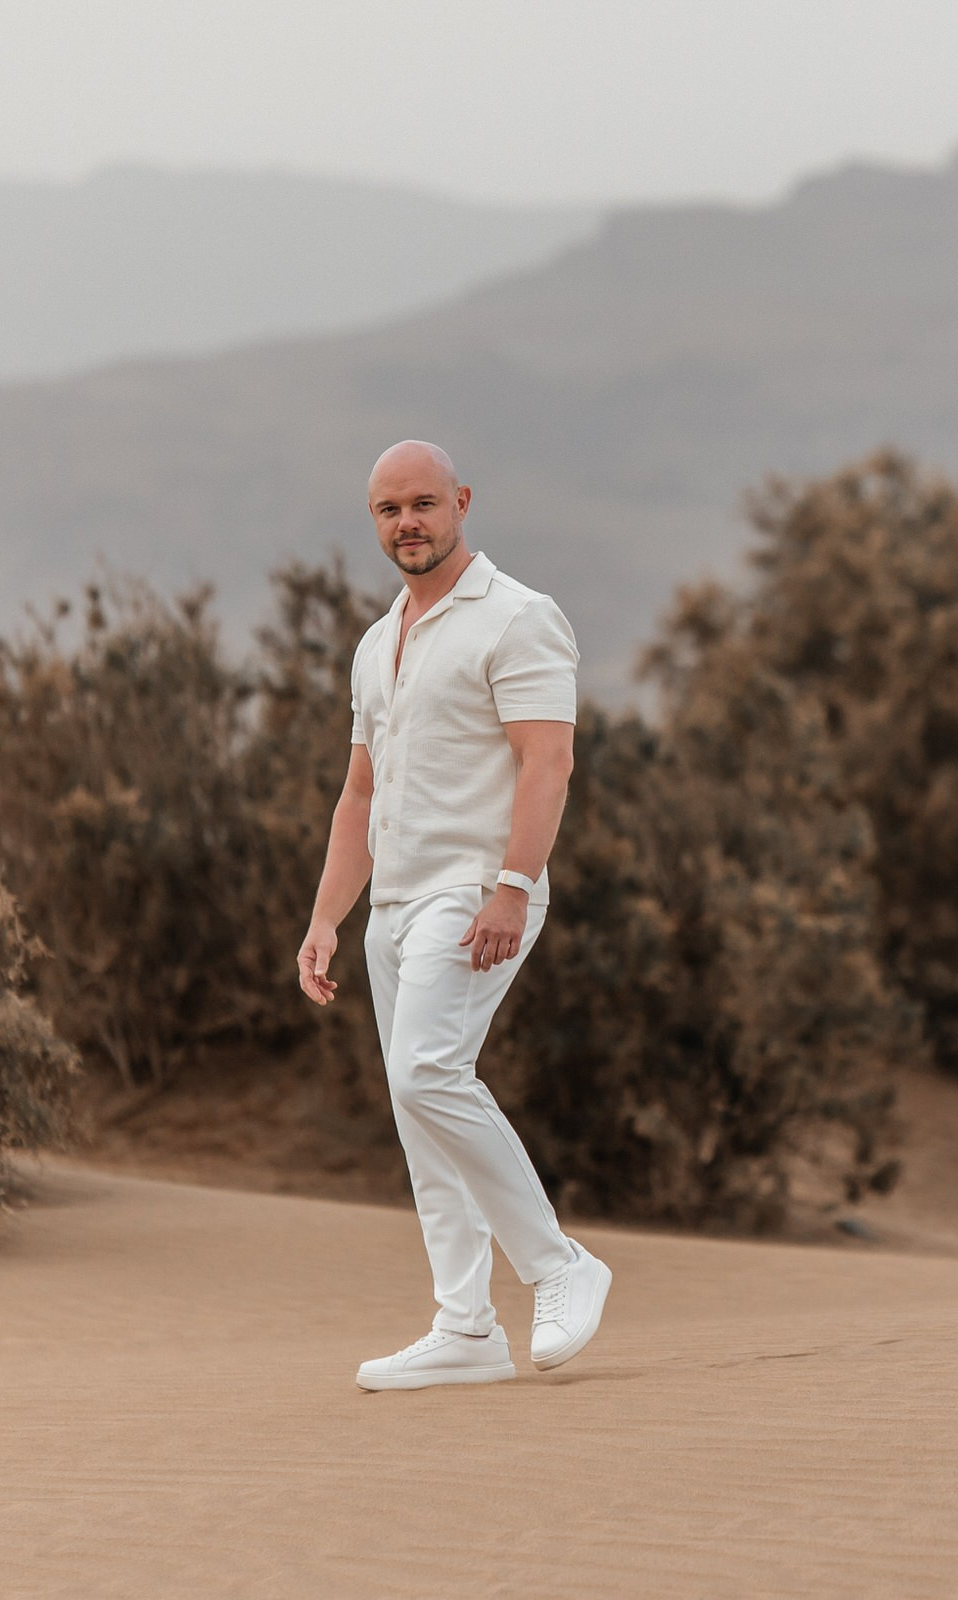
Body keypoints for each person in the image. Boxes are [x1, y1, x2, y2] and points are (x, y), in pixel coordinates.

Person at [296, 440, 612, 1391]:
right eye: (390, 510)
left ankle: (559, 1266)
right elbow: (359, 795)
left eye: (424, 504)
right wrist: (325, 921)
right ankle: (466, 1327)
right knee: (415, 1101)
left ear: (462, 502)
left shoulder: (518, 619)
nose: (408, 523)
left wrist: (515, 884)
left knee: (429, 1070)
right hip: (392, 904)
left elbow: (546, 762)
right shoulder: (375, 641)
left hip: (475, 893)